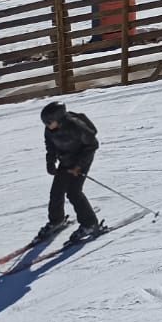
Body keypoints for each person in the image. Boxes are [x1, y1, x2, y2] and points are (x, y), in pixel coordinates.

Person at [40, 101, 106, 243]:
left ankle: (90, 224)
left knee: (73, 192)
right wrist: (50, 162)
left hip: (82, 159)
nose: (47, 125)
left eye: (49, 122)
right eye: (45, 123)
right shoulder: (49, 130)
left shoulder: (76, 126)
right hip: (66, 159)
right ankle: (56, 220)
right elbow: (50, 146)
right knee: (56, 191)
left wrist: (79, 166)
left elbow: (93, 145)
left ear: (58, 118)